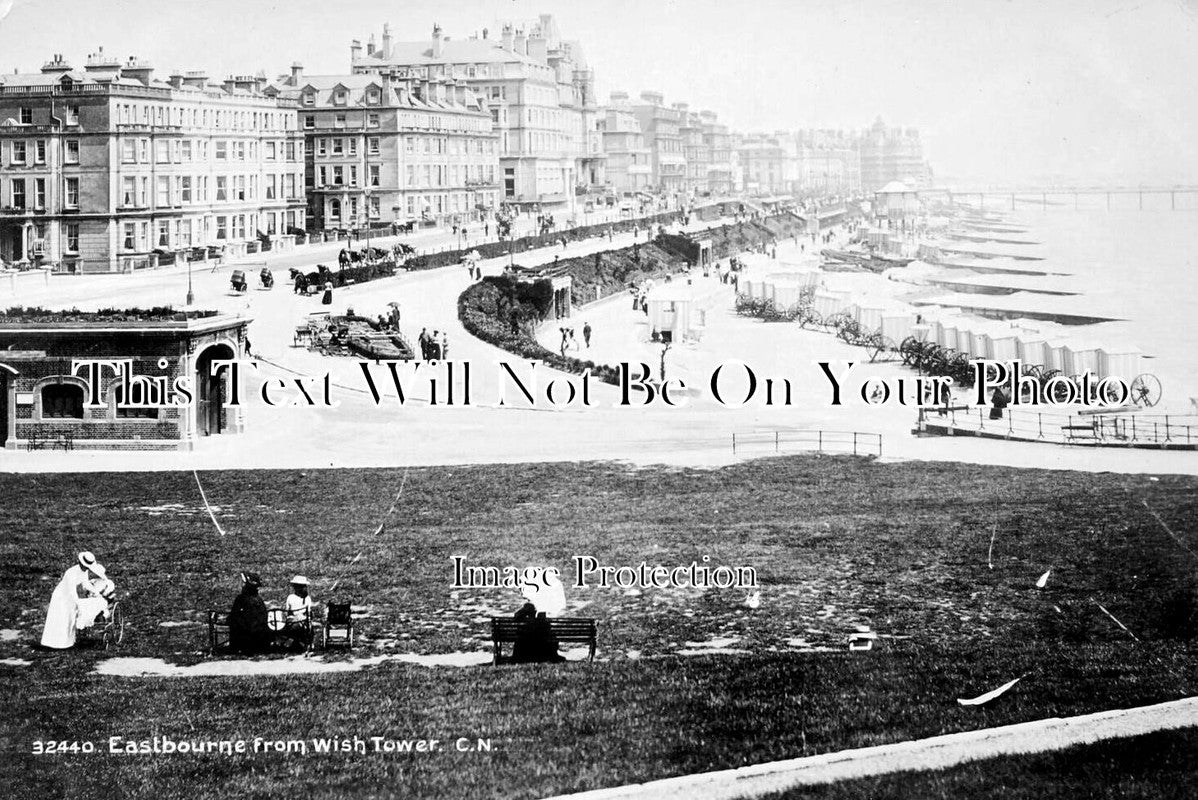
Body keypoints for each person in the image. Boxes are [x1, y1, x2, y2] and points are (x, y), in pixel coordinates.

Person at [41, 551, 107, 649]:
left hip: (69, 596)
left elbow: (86, 584)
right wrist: (78, 602)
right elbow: (72, 591)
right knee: (61, 617)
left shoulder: (84, 571)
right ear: (80, 563)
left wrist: (96, 592)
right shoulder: (71, 572)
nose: (86, 568)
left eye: (88, 567)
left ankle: (67, 643)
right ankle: (54, 643)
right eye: (85, 566)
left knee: (70, 617)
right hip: (62, 596)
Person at [228, 571, 271, 655]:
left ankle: (238, 646)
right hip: (260, 636)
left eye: (244, 584)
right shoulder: (258, 600)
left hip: (247, 638)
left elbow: (234, 617)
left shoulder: (242, 599)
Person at [280, 575, 313, 651]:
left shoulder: (307, 598)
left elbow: (308, 612)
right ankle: (294, 639)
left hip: (303, 619)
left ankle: (292, 638)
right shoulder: (291, 597)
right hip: (293, 618)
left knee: (298, 623)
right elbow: (288, 611)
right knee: (292, 622)